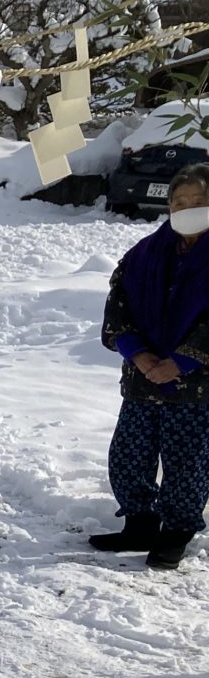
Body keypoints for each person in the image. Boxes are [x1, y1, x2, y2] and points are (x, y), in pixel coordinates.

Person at [92, 163, 209, 571]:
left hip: (195, 385)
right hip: (142, 377)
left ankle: (176, 531)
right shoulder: (144, 253)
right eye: (180, 201)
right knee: (129, 454)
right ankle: (139, 523)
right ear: (169, 206)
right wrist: (137, 353)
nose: (189, 207)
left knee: (187, 460)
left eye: (199, 200)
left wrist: (180, 362)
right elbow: (118, 305)